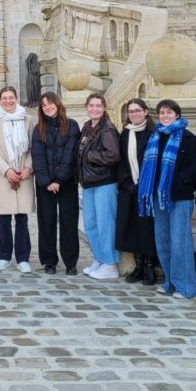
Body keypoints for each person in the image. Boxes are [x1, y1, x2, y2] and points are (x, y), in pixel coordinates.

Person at [139, 99, 196, 299]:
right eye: (162, 113)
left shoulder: (187, 137)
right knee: (163, 241)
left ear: (177, 115)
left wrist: (183, 180)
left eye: (169, 112)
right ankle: (170, 282)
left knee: (180, 242)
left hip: (180, 198)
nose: (165, 116)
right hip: (159, 198)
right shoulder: (154, 137)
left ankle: (185, 286)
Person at [30, 92, 81, 275]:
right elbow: (38, 157)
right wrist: (47, 181)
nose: (48, 107)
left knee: (69, 221)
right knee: (46, 221)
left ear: (57, 104)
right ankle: (49, 260)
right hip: (45, 184)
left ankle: (70, 261)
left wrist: (59, 179)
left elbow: (70, 154)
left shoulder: (72, 126)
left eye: (50, 103)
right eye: (44, 105)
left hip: (66, 182)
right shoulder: (39, 129)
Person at [0, 86, 36, 273]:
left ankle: (23, 258)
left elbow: (33, 147)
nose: (8, 101)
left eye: (11, 97)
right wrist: (7, 170)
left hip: (24, 173)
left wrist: (28, 167)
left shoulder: (28, 120)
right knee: (4, 219)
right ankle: (4, 256)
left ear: (16, 99)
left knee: (22, 218)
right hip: (4, 175)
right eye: (4, 98)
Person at [76, 93, 121, 280]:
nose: (94, 109)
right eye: (91, 105)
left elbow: (113, 155)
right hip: (88, 183)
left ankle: (110, 264)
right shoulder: (87, 127)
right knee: (91, 224)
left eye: (98, 106)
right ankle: (100, 259)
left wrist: (90, 156)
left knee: (105, 225)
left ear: (104, 108)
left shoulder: (107, 129)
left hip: (104, 182)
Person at [116, 99, 158, 286]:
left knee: (147, 228)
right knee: (131, 227)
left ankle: (149, 266)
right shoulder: (125, 134)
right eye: (131, 111)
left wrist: (144, 184)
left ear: (145, 112)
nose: (134, 114)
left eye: (137, 110)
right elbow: (120, 160)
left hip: (148, 188)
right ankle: (139, 265)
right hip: (129, 187)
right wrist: (128, 183)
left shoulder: (154, 133)